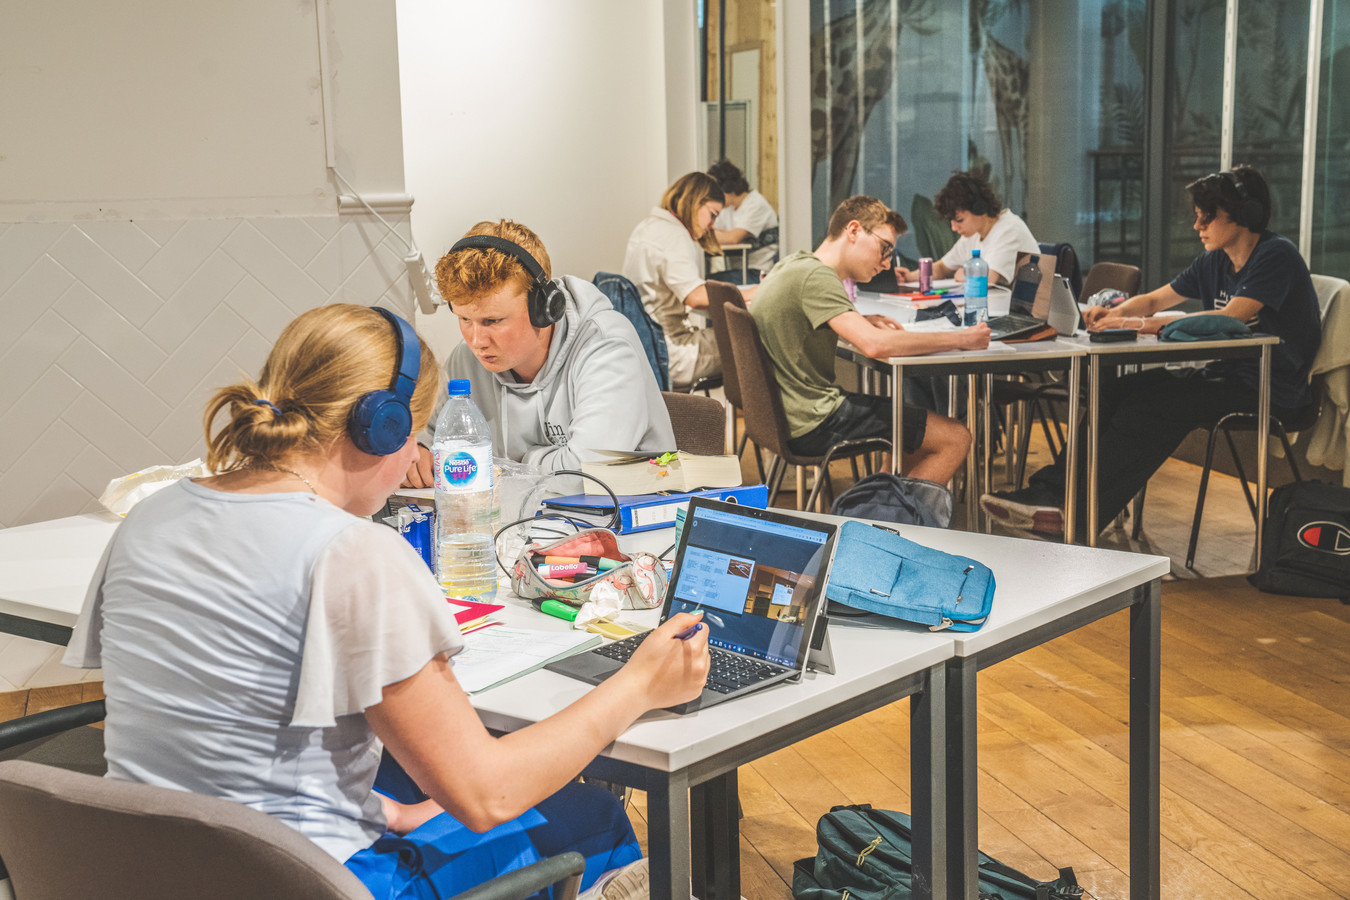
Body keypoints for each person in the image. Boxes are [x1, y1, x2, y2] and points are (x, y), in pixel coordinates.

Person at [62, 303, 710, 898]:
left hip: (146, 870)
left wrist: (386, 811)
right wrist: (640, 684)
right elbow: (487, 793)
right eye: (418, 434)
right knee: (591, 818)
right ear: (383, 427)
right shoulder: (349, 553)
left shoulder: (150, 520)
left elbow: (227, 735)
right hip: (302, 881)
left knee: (409, 787)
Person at [981, 165, 1323, 537]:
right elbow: (1156, 299)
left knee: (1153, 408)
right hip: (1226, 377)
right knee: (1112, 392)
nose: (1197, 226)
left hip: (1271, 389)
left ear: (1246, 216)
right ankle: (1048, 493)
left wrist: (1136, 325)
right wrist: (1112, 313)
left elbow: (1230, 317)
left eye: (1206, 216)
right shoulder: (1215, 260)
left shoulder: (1276, 255)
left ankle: (1078, 515)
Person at [403, 220, 675, 488]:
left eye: (493, 321)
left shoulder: (606, 347)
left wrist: (506, 464)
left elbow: (587, 475)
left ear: (545, 309)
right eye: (464, 319)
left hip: (628, 520)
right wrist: (421, 456)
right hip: (522, 521)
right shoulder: (466, 359)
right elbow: (426, 441)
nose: (476, 341)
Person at [751, 195, 991, 485]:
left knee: (910, 432)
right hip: (813, 421)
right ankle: (893, 522)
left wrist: (860, 320)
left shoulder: (794, 264)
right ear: (853, 231)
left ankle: (883, 509)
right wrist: (961, 339)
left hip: (783, 417)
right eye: (884, 248)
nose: (887, 264)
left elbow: (798, 316)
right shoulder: (817, 277)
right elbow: (874, 345)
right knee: (956, 436)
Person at [623, 172, 725, 390]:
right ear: (696, 202)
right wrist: (755, 291)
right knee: (750, 341)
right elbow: (695, 297)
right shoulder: (674, 235)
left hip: (646, 348)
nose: (713, 225)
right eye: (713, 215)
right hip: (671, 353)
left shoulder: (647, 227)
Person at [895, 171, 1039, 286]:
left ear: (979, 208)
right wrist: (908, 277)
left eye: (959, 220)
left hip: (1026, 313)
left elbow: (987, 278)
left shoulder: (1009, 229)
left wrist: (963, 273)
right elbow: (942, 268)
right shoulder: (974, 235)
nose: (953, 228)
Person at [708, 159, 779, 284]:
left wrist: (707, 234)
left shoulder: (755, 204)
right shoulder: (727, 208)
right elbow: (711, 229)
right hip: (739, 269)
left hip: (758, 272)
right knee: (708, 281)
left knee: (708, 283)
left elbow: (733, 238)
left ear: (727, 188)